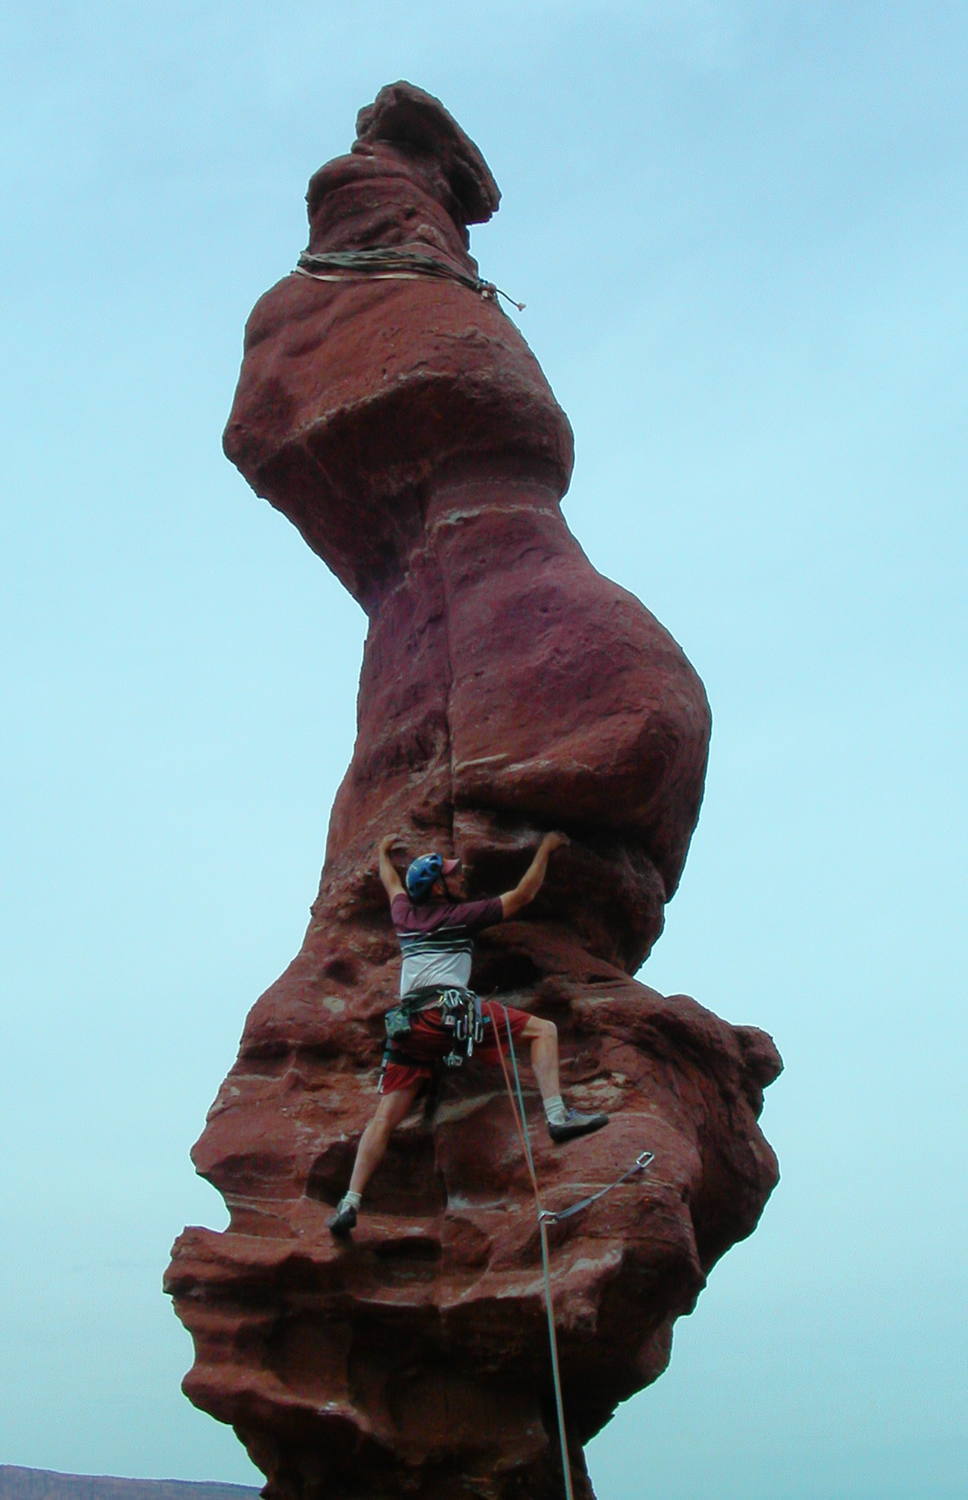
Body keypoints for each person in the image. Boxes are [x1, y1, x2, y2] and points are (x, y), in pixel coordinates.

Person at [328, 831, 609, 1236]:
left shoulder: (404, 915)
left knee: (384, 1118)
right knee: (543, 1030)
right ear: (437, 889)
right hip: (448, 1017)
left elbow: (391, 884)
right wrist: (546, 849)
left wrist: (380, 853)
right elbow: (522, 896)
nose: (456, 879)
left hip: (409, 1030)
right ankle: (557, 1115)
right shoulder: (458, 917)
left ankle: (350, 1201)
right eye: (448, 876)